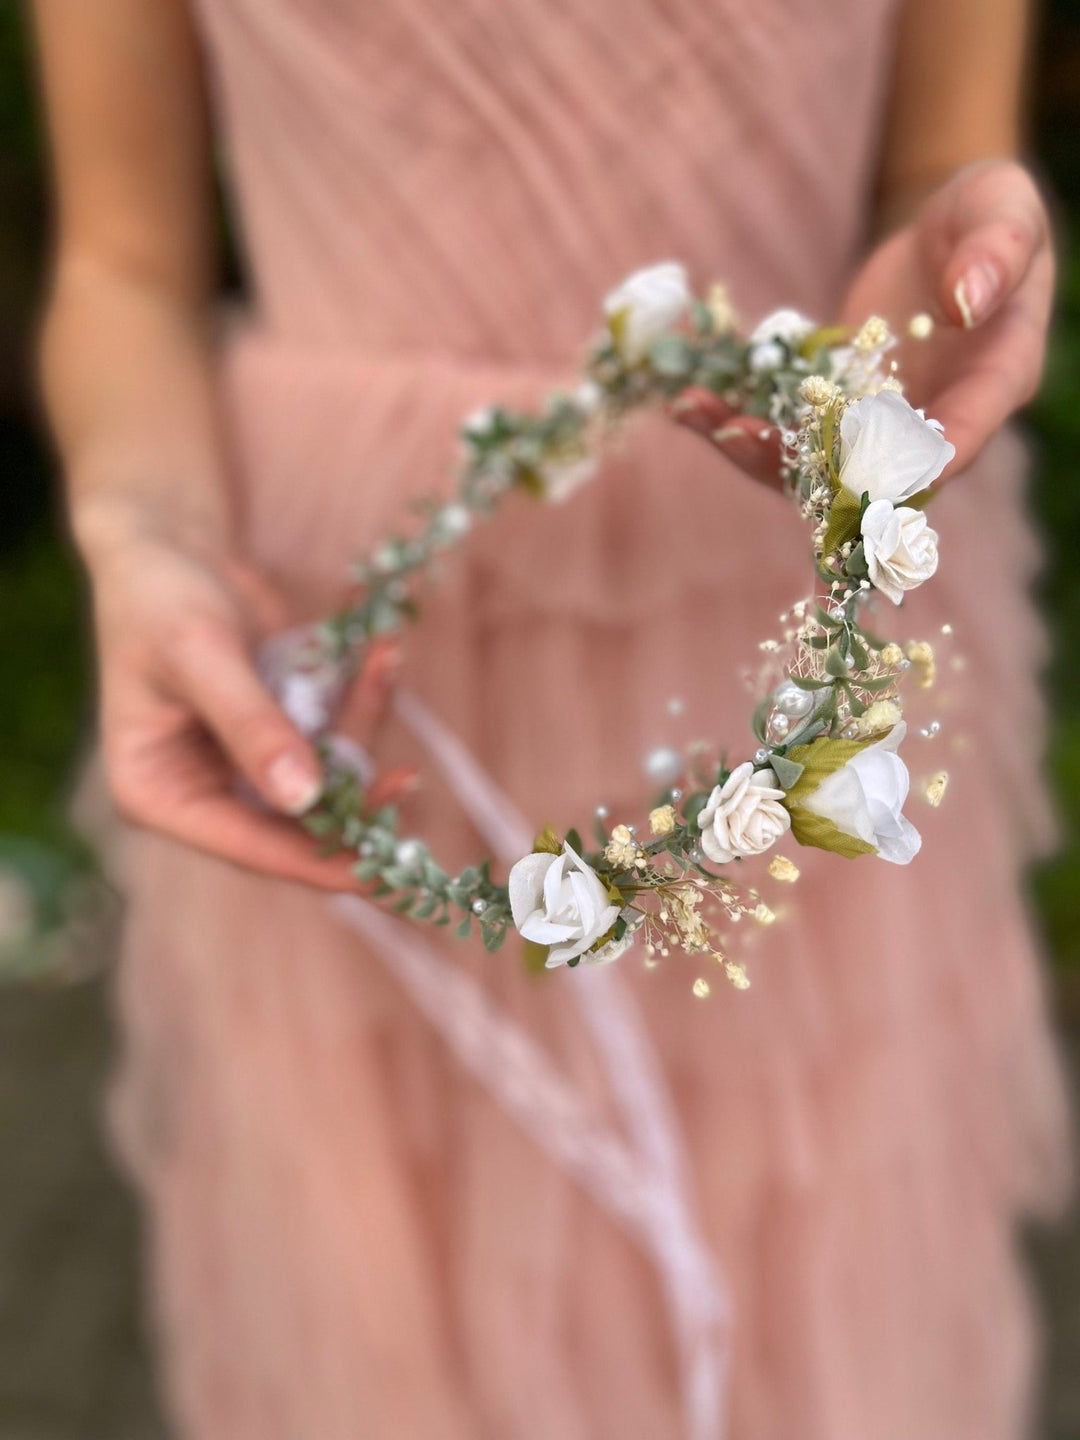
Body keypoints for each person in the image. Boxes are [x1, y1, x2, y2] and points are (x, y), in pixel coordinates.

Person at [31, 0, 1070, 1435]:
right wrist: (143, 527)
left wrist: (929, 288)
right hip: (349, 634)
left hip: (769, 602)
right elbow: (124, 262)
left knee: (819, 1293)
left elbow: (937, 158)